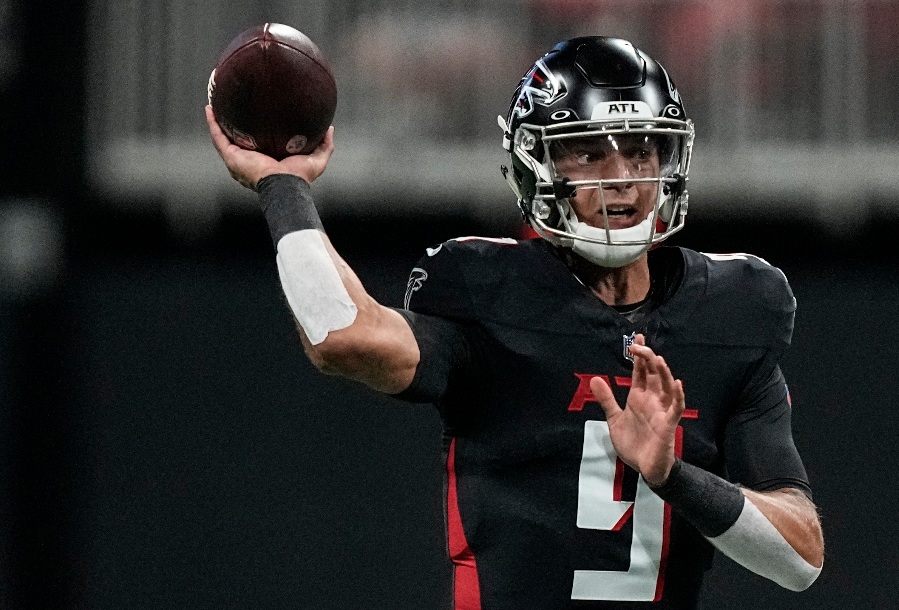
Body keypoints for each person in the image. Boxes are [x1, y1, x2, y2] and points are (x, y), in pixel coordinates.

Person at [207, 36, 823, 609]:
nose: (621, 179)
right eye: (587, 152)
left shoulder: (735, 308)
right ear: (539, 166)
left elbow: (801, 558)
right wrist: (283, 187)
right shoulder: (486, 293)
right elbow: (338, 334)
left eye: (640, 150)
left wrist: (671, 475)